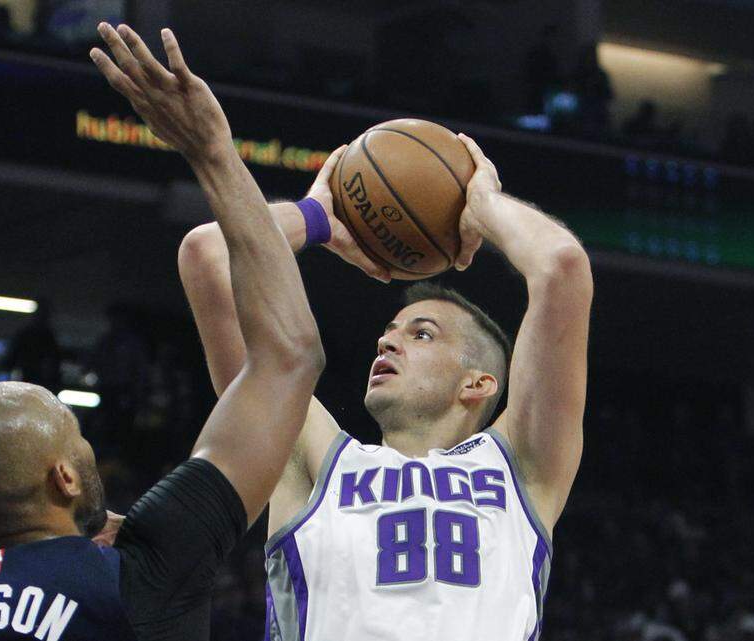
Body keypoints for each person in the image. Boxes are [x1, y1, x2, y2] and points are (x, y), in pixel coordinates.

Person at [0, 22, 327, 641]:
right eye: (76, 440)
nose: (87, 453)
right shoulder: (141, 572)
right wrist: (214, 152)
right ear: (64, 478)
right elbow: (288, 354)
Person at [178, 130, 593, 637]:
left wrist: (483, 204)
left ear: (478, 383)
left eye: (421, 334)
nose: (387, 344)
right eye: (388, 332)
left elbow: (562, 266)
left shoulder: (521, 468)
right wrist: (316, 220)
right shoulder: (313, 456)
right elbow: (208, 254)